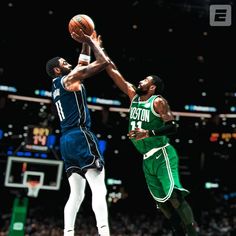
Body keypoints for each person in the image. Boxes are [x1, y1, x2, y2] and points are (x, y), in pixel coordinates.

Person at [105, 58, 198, 235]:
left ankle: (193, 233)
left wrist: (147, 133)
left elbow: (172, 127)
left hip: (162, 153)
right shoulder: (134, 96)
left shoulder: (157, 101)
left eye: (146, 80)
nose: (141, 81)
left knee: (174, 197)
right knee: (162, 203)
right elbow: (112, 70)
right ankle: (178, 232)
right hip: (146, 158)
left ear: (153, 87)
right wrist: (95, 46)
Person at [45, 30, 111, 236]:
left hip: (66, 141)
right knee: (99, 188)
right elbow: (103, 63)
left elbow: (82, 64)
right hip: (81, 135)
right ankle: (104, 233)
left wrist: (85, 45)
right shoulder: (68, 79)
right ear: (57, 69)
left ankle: (68, 233)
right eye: (64, 62)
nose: (68, 63)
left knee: (77, 194)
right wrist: (93, 43)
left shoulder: (58, 85)